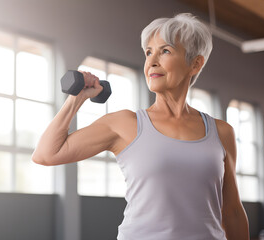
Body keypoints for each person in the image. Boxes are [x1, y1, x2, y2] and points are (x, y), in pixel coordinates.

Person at [32, 13, 250, 240]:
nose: (152, 61)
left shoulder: (221, 132)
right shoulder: (125, 124)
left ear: (195, 63)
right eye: (148, 52)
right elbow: (46, 154)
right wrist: (76, 98)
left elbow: (233, 211)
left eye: (165, 51)